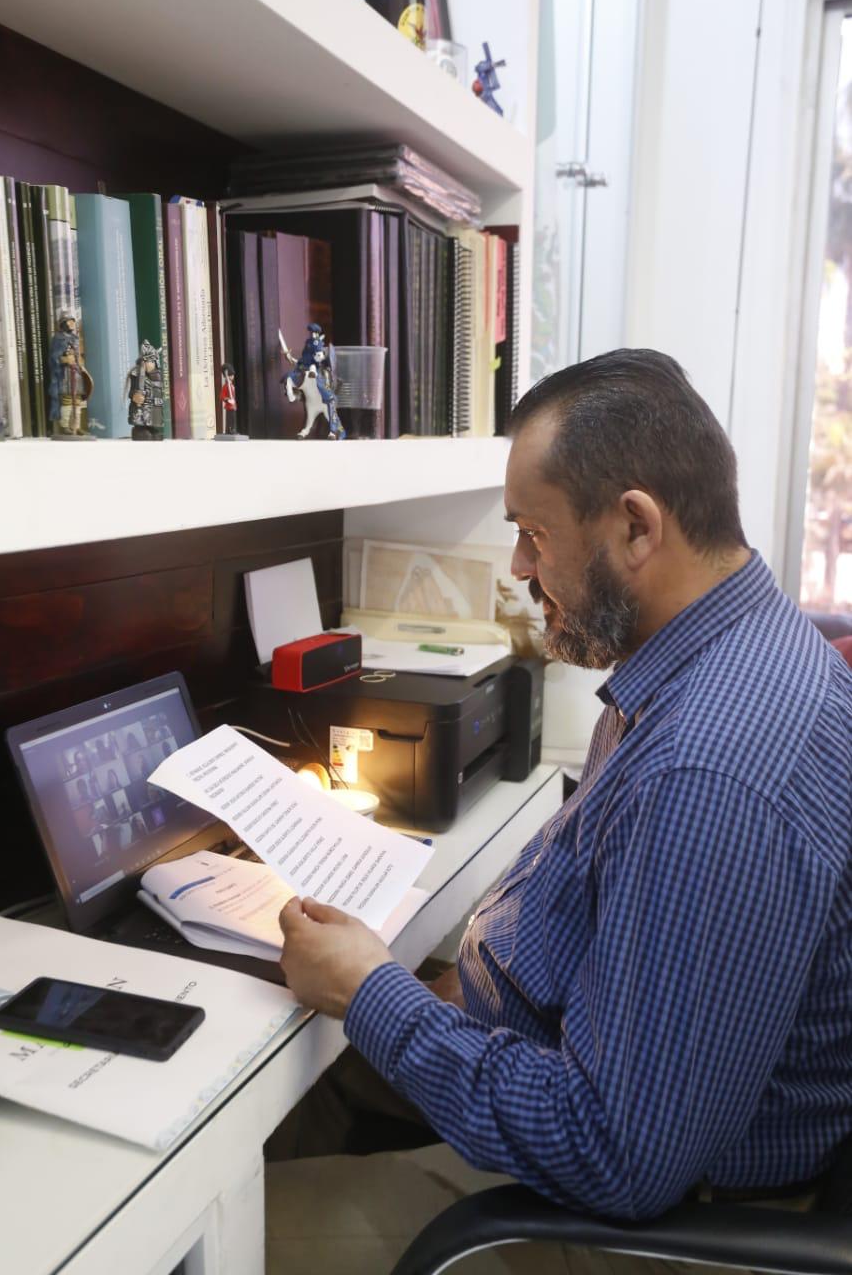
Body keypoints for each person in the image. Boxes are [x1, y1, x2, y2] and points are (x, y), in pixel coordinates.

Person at [271, 350, 852, 1265]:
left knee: (227, 1234)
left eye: (533, 534)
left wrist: (369, 992)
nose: (516, 566)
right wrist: (424, 992)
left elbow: (613, 1155)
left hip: (652, 1222)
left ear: (635, 527)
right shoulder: (723, 648)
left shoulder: (709, 773)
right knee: (308, 1098)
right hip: (589, 1080)